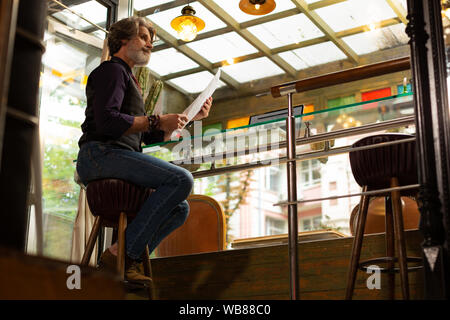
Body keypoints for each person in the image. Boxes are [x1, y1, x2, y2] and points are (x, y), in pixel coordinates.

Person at [76, 17, 213, 284]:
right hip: (100, 154)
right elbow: (108, 121)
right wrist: (155, 121)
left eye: (151, 40)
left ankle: (120, 255)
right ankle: (125, 256)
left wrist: (189, 118)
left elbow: (140, 134)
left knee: (180, 209)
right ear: (123, 40)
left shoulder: (127, 77)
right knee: (181, 179)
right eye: (143, 37)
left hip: (113, 155)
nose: (149, 44)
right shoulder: (112, 71)